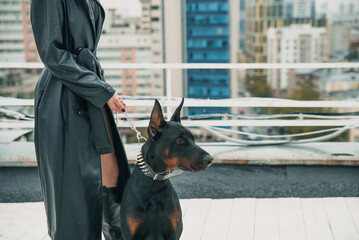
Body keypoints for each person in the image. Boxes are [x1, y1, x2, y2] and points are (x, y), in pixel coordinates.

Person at [30, 0, 130, 239]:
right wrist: (101, 90)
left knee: (112, 174)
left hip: (91, 92)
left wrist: (102, 89)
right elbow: (52, 54)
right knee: (74, 188)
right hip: (62, 97)